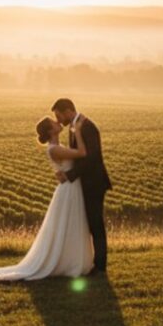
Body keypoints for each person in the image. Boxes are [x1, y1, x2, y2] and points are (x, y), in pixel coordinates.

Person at [0, 115, 94, 281]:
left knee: (69, 225)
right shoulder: (55, 149)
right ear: (50, 130)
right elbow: (82, 152)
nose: (58, 122)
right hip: (68, 190)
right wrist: (79, 132)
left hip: (70, 187)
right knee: (68, 224)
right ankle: (69, 262)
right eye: (54, 122)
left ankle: (70, 259)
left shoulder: (56, 146)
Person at [51, 98, 112, 273]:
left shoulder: (87, 126)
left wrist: (69, 175)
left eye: (58, 115)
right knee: (90, 223)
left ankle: (100, 266)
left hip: (94, 183)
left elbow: (92, 157)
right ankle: (90, 262)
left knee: (95, 223)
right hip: (84, 183)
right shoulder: (75, 126)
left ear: (68, 111)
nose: (58, 120)